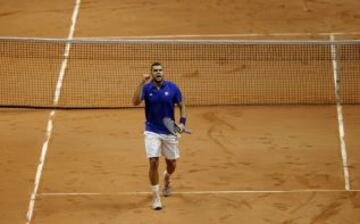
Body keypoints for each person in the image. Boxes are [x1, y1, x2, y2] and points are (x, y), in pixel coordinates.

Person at [132, 62, 187, 210]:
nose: (158, 72)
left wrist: (182, 122)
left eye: (160, 70)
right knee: (153, 162)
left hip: (169, 131)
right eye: (155, 70)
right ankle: (156, 197)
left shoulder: (173, 87)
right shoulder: (147, 88)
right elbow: (135, 102)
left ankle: (167, 178)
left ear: (163, 72)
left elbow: (182, 105)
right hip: (151, 130)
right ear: (151, 73)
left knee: (172, 164)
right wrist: (142, 82)